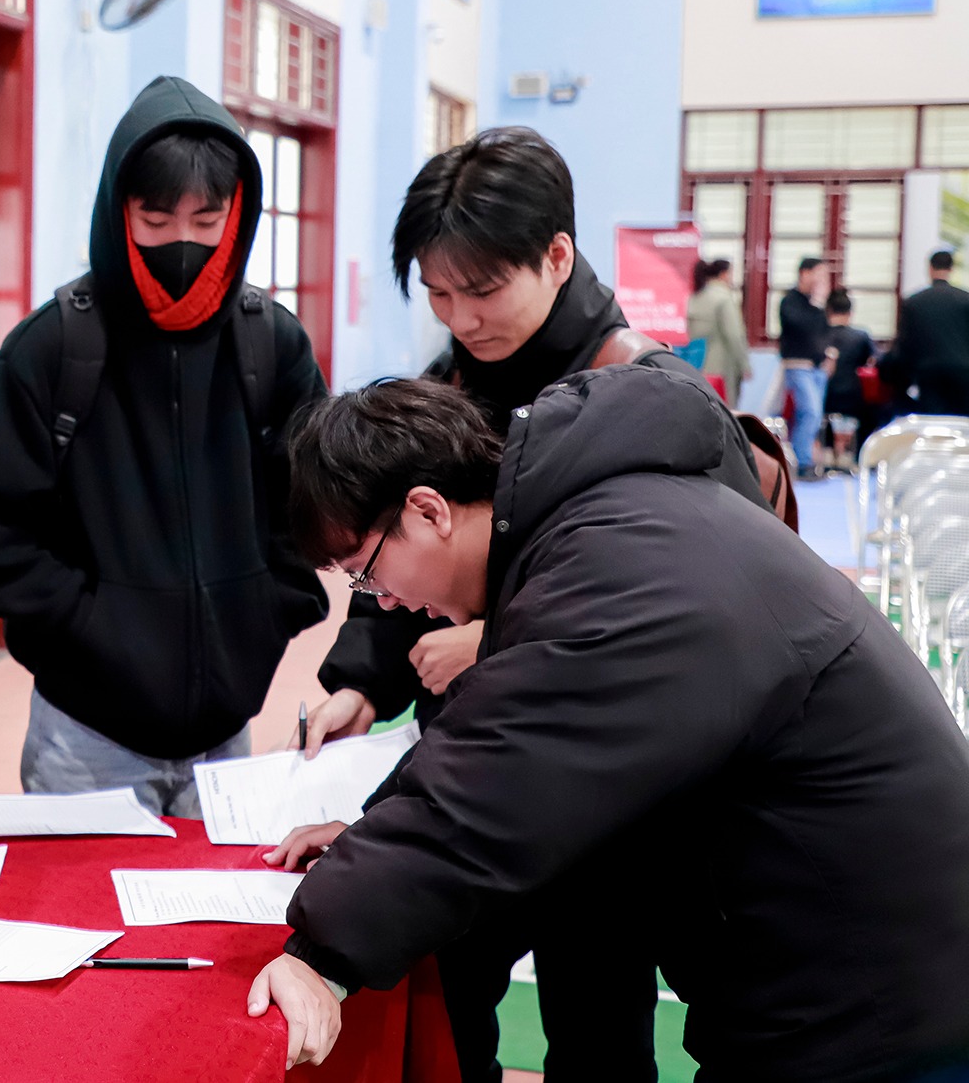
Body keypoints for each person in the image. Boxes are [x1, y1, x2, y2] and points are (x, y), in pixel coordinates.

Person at [248, 369, 969, 1081]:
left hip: (872, 1000)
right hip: (848, 965)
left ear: (429, 510)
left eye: (368, 572)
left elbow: (503, 787)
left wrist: (322, 954)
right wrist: (370, 833)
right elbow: (501, 725)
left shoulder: (611, 565)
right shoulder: (605, 521)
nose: (387, 601)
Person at [301, 127, 778, 1083]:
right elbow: (401, 557)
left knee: (597, 1020)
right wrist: (361, 681)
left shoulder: (649, 393)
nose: (462, 317)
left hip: (609, 787)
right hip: (481, 765)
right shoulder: (452, 381)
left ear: (557, 255)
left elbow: (693, 601)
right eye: (438, 294)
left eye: (481, 289)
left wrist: (498, 639)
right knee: (446, 1000)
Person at [0, 76, 330, 816]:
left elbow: (314, 500)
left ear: (237, 213)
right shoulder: (53, 346)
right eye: (155, 219)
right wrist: (88, 622)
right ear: (118, 210)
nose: (183, 241)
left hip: (228, 733)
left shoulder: (271, 343)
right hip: (85, 738)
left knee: (210, 896)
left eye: (206, 219)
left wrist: (271, 606)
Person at [886, 249, 969, 417]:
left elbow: (905, 346)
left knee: (932, 422)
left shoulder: (913, 302)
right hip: (962, 373)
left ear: (930, 268)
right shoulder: (965, 300)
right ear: (951, 269)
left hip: (928, 376)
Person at [780, 257, 834, 478]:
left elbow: (823, 333)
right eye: (820, 274)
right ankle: (801, 461)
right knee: (809, 412)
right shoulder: (790, 302)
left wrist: (829, 355)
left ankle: (804, 460)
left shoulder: (816, 305)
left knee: (814, 414)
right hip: (798, 366)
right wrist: (817, 303)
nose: (823, 280)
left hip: (818, 368)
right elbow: (803, 329)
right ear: (805, 273)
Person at [824, 288, 878, 469]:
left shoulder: (819, 335)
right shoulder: (860, 336)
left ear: (828, 311)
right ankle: (859, 457)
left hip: (825, 396)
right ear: (850, 312)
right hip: (852, 397)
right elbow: (872, 361)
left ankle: (828, 451)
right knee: (872, 412)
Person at [686, 256, 751, 403]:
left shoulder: (696, 296)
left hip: (698, 365)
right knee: (726, 407)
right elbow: (734, 335)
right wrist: (744, 365)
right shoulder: (724, 299)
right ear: (723, 274)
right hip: (723, 367)